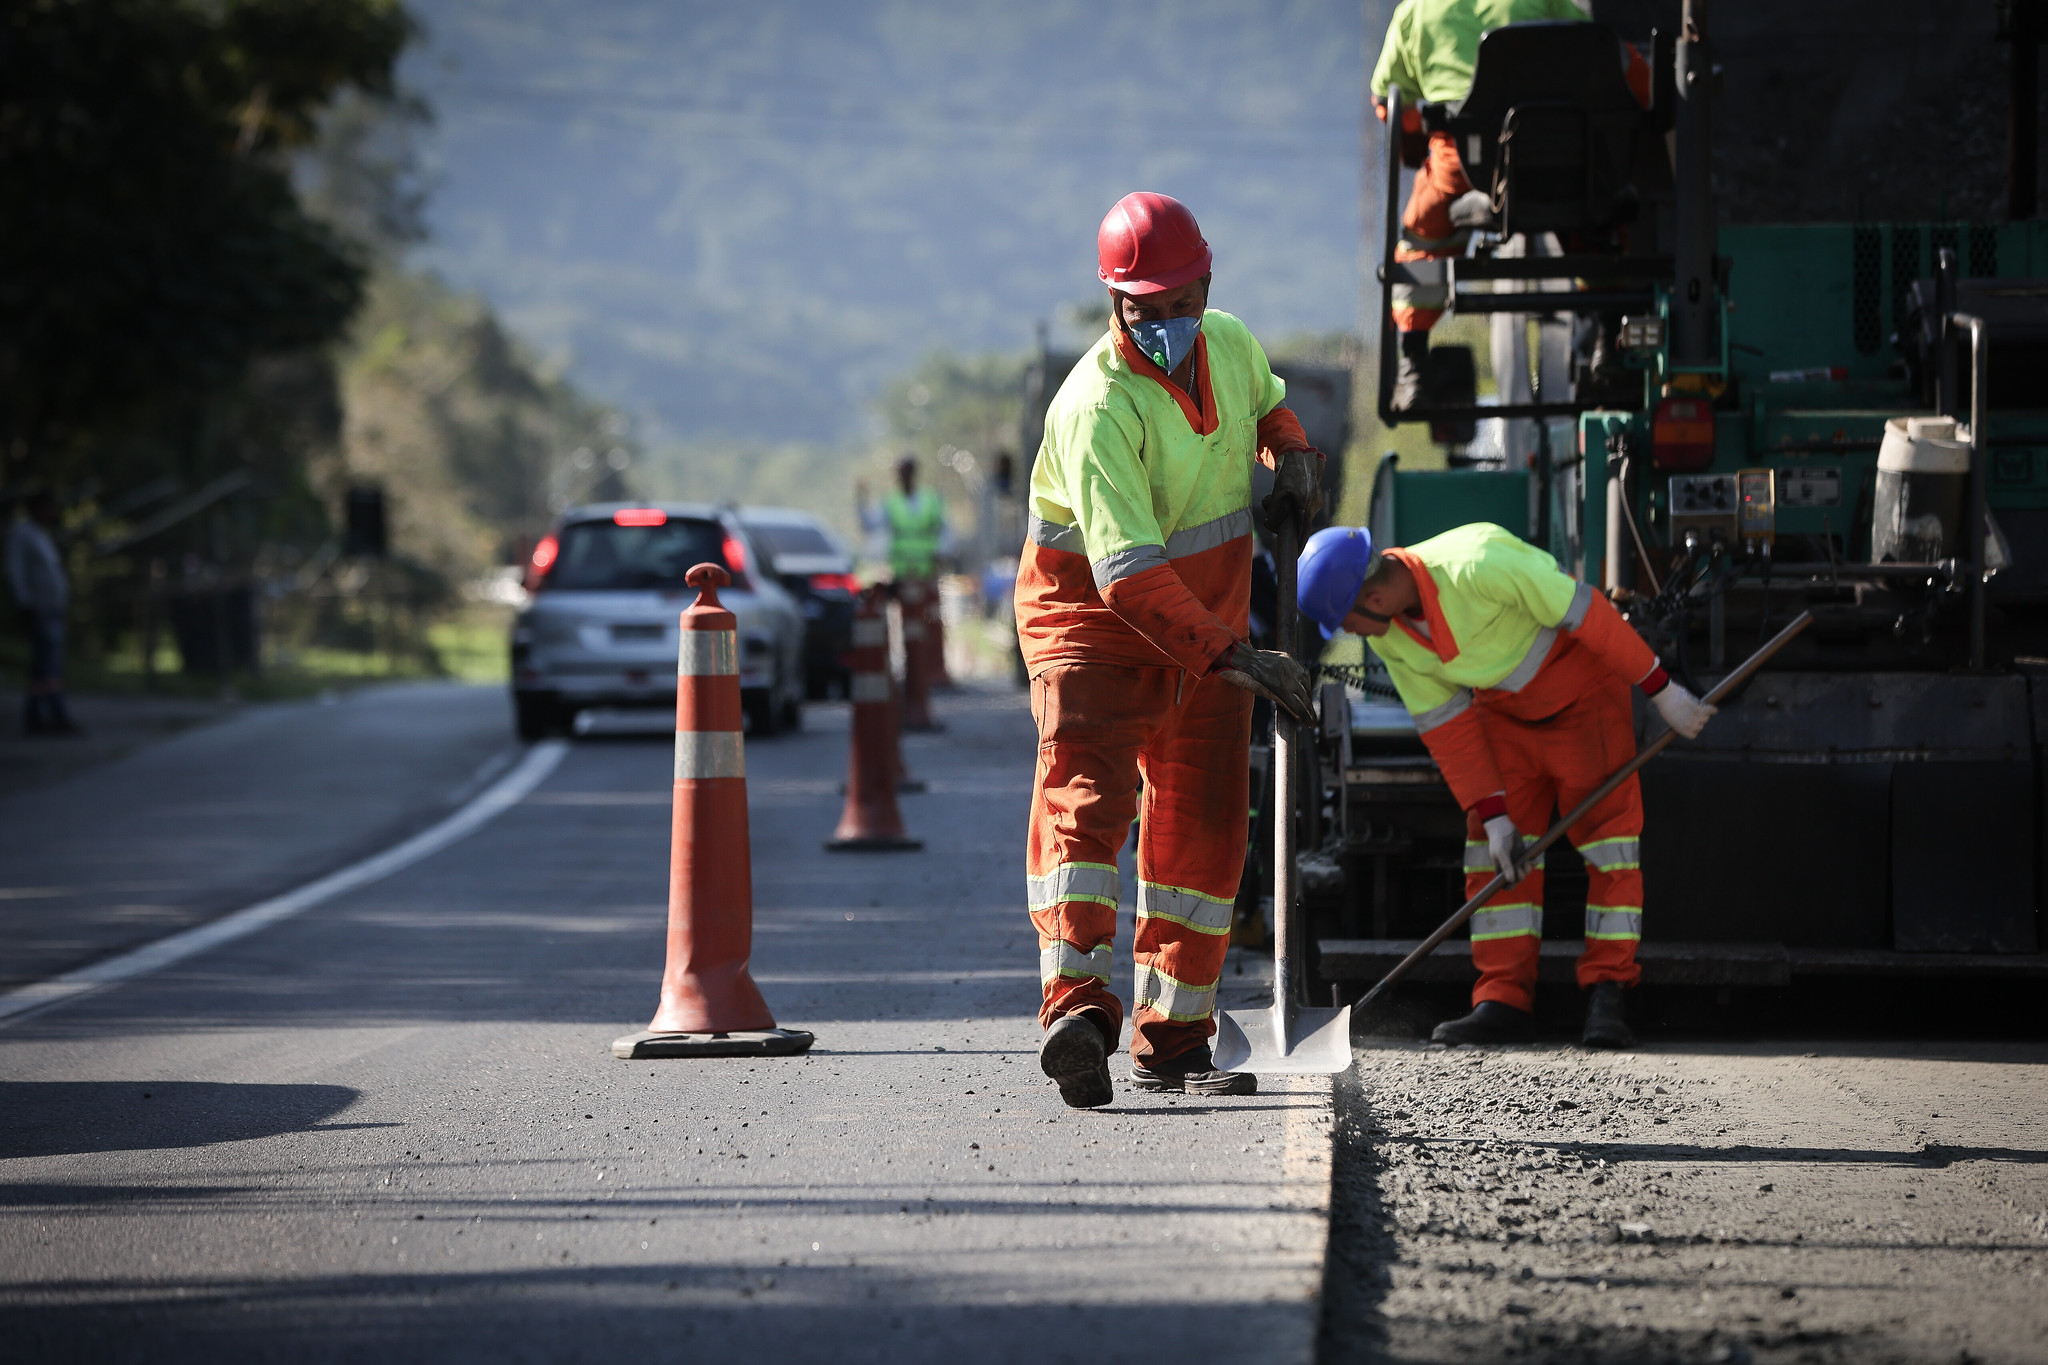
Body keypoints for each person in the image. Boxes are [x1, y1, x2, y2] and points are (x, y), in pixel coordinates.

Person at [1017, 191, 1324, 1108]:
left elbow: (1267, 406)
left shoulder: (1227, 343)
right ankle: (1077, 1010)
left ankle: (1176, 1036)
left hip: (1210, 629)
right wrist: (1239, 657)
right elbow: (1127, 577)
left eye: (1180, 303)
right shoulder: (1098, 407)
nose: (1165, 323)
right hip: (1094, 630)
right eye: (1142, 308)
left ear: (1207, 288)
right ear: (1114, 301)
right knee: (1086, 814)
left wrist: (1289, 449)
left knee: (1205, 828)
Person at [1296, 523, 1715, 1047]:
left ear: (1374, 599)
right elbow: (1447, 724)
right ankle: (1503, 1000)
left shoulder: (1479, 562)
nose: (1356, 633)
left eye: (1349, 623)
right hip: (1505, 718)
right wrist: (1494, 817)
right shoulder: (1397, 635)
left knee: (1610, 845)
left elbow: (1589, 613)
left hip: (1586, 703)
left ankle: (1609, 994)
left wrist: (1659, 689)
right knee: (1492, 854)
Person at [1371, 0, 1592, 409]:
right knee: (1595, 213)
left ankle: (1413, 361)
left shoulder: (1417, 11)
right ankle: (1608, 336)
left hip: (1463, 163)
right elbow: (1592, 45)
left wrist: (1420, 133)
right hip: (1549, 151)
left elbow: (1390, 102)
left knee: (1422, 233)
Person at [6, 491, 79, 736]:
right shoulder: (22, 533)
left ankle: (37, 715)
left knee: (45, 666)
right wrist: (25, 602)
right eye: (48, 507)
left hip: (52, 608)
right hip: (38, 608)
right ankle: (54, 715)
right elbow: (15, 570)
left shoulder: (41, 534)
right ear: (36, 508)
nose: (52, 512)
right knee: (47, 664)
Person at [859, 457, 951, 585]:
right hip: (901, 572)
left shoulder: (930, 499)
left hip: (927, 571)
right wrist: (861, 499)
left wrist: (942, 552)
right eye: (901, 473)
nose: (904, 477)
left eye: (906, 472)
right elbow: (870, 525)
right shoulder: (891, 501)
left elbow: (944, 529)